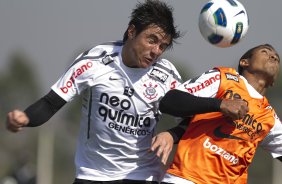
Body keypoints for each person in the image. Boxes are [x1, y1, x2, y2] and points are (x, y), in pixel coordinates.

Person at [5, 0, 248, 183]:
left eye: (163, 46)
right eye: (152, 40)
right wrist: (25, 118)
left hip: (143, 174)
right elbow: (51, 103)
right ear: (132, 32)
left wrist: (171, 135)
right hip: (93, 173)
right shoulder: (94, 61)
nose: (156, 51)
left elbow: (189, 120)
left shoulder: (167, 74)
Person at [159, 43, 282, 184]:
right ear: (244, 62)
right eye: (265, 52)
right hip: (186, 179)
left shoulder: (269, 117)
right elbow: (169, 101)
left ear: (274, 81)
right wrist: (220, 104)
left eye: (277, 58)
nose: (273, 56)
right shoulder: (224, 78)